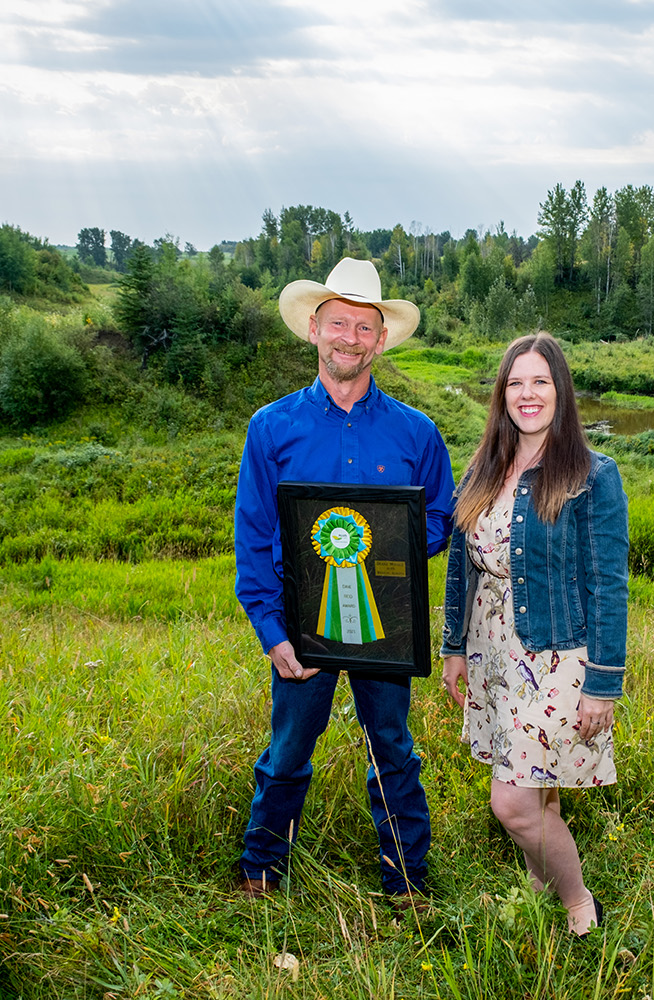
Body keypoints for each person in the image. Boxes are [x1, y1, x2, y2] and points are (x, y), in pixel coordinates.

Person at [234, 257, 455, 905]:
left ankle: (406, 879)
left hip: (386, 623)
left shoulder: (418, 432)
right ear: (313, 329)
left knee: (393, 746)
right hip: (300, 626)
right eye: (338, 324)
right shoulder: (270, 428)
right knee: (289, 747)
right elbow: (252, 538)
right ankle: (261, 868)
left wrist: (393, 538)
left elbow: (439, 516)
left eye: (364, 327)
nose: (349, 338)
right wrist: (271, 631)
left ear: (381, 339)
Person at [440, 332, 628, 936]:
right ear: (502, 394)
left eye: (540, 382)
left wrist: (604, 682)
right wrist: (453, 647)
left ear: (560, 392)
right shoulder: (484, 468)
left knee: (513, 802)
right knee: (533, 789)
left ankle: (579, 904)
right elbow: (459, 564)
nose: (527, 394)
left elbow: (608, 583)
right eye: (515, 382)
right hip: (491, 654)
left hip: (555, 658)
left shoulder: (592, 475)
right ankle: (537, 889)